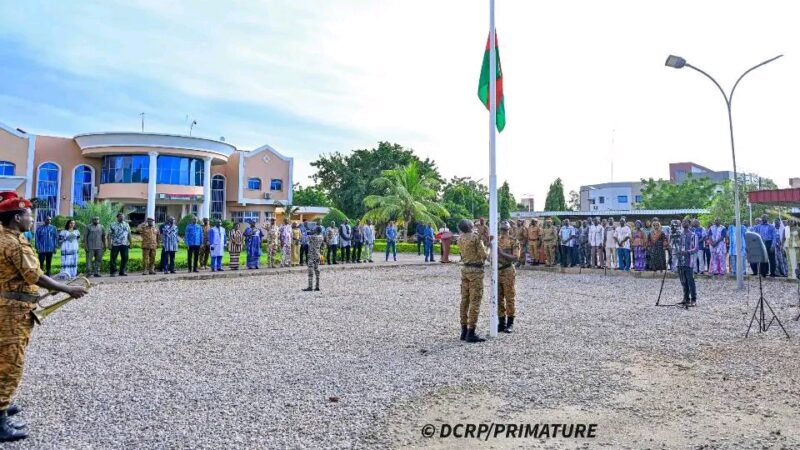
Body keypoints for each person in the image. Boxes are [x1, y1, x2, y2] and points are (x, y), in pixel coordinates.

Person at [0, 191, 88, 441]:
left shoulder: (4, 236)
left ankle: (2, 406)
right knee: (10, 363)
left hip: (7, 305)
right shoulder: (15, 243)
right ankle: (0, 420)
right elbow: (34, 276)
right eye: (28, 214)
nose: (32, 218)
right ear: (17, 217)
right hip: (13, 312)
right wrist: (67, 289)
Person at [457, 219, 490, 343]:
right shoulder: (475, 238)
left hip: (465, 269)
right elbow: (483, 254)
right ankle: (471, 332)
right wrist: (489, 245)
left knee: (464, 300)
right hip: (476, 271)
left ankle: (464, 330)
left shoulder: (459, 238)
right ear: (470, 226)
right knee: (475, 301)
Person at [497, 221, 520, 333]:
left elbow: (515, 258)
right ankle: (501, 323)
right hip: (497, 271)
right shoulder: (495, 240)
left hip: (508, 270)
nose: (503, 232)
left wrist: (501, 253)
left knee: (509, 297)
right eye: (502, 229)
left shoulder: (513, 241)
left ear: (509, 229)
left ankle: (510, 323)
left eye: (505, 229)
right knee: (498, 298)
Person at [675, 219, 699, 307]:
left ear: (689, 224)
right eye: (683, 222)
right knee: (683, 281)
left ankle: (693, 299)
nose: (684, 223)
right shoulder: (679, 235)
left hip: (689, 262)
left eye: (686, 222)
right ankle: (686, 298)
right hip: (680, 261)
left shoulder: (693, 235)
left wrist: (687, 252)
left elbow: (696, 248)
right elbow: (675, 245)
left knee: (690, 281)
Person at [303, 227, 326, 292]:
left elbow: (305, 236)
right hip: (318, 255)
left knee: (310, 271)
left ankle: (310, 287)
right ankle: (317, 286)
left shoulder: (313, 237)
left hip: (312, 255)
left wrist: (308, 232)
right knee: (317, 270)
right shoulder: (321, 237)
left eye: (315, 229)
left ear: (316, 230)